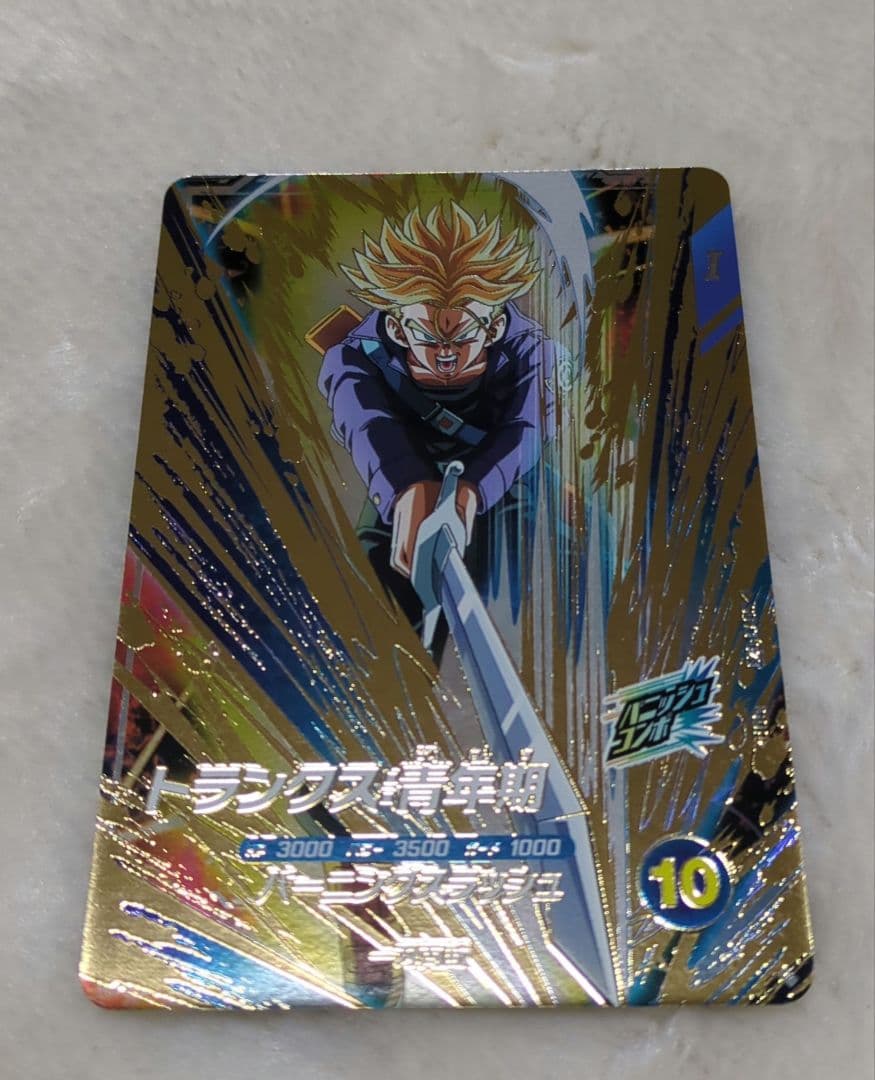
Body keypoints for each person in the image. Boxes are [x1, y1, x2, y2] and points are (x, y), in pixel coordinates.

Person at [318, 201, 558, 658]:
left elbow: (527, 427)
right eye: (428, 338)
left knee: (528, 588)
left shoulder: (534, 354)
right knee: (378, 602)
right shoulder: (354, 358)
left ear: (495, 327)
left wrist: (471, 493)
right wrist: (406, 487)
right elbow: (366, 421)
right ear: (397, 328)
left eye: (462, 337)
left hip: (505, 488)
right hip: (402, 493)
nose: (446, 354)